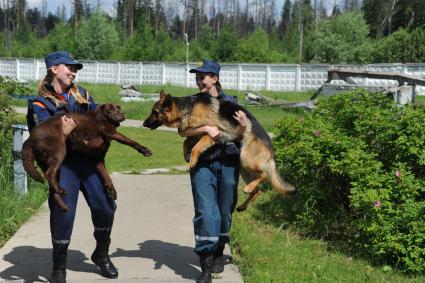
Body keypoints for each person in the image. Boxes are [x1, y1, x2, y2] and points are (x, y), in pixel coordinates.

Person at [27, 51, 118, 283]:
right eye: (69, 67)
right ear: (54, 69)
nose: (73, 71)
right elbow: (42, 140)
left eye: (75, 68)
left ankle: (101, 253)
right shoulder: (40, 104)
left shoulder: (83, 95)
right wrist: (64, 136)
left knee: (106, 207)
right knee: (63, 214)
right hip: (64, 166)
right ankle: (59, 266)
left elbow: (99, 121)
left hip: (88, 163)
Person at [179, 60, 248, 283]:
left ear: (214, 79)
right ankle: (206, 263)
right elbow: (182, 130)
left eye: (203, 76)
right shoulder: (192, 102)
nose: (198, 80)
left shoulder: (230, 103)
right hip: (202, 163)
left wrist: (244, 126)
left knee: (225, 210)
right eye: (197, 76)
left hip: (228, 161)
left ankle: (219, 250)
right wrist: (206, 128)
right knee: (206, 212)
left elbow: (240, 134)